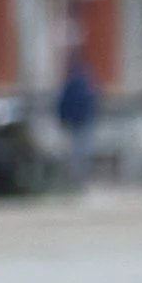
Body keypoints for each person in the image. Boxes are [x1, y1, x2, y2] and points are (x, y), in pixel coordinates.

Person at [55, 48, 100, 188]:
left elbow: (63, 102)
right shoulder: (86, 82)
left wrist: (63, 118)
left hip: (75, 122)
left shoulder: (71, 83)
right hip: (83, 121)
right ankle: (80, 178)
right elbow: (93, 101)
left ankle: (76, 178)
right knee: (81, 151)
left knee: (76, 152)